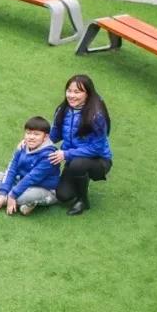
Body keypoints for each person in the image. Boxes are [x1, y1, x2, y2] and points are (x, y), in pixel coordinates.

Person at [49, 74, 112, 215]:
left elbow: (97, 148)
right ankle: (81, 180)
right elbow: (56, 133)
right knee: (63, 195)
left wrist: (66, 154)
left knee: (78, 165)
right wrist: (37, 142)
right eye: (69, 91)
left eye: (77, 92)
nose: (71, 95)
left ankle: (83, 201)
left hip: (99, 161)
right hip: (74, 159)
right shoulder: (62, 109)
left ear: (87, 94)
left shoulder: (97, 115)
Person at [0, 116, 60, 216]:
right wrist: (3, 192)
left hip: (43, 189)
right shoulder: (22, 146)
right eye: (28, 133)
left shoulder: (49, 155)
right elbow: (12, 169)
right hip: (21, 182)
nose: (31, 137)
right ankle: (20, 203)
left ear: (46, 137)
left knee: (26, 196)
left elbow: (32, 178)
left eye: (36, 134)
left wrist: (12, 195)